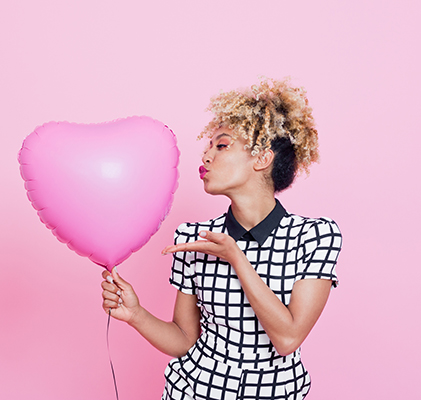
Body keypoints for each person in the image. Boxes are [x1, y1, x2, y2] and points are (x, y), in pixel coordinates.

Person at [101, 78, 342, 400]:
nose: (206, 157)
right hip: (193, 391)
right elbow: (185, 339)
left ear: (261, 158)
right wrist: (136, 314)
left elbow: (287, 338)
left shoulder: (314, 236)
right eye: (207, 147)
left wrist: (237, 258)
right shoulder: (192, 238)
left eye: (222, 145)